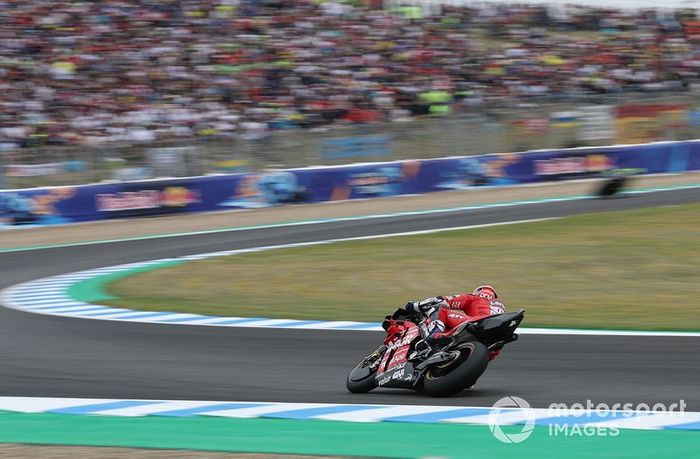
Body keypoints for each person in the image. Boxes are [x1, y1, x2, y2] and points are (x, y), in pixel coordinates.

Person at [405, 285, 507, 359]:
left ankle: (431, 339)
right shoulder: (500, 306)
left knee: (442, 311)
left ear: (479, 291)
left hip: (476, 323)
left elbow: (443, 301)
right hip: (493, 339)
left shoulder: (475, 298)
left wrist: (414, 306)